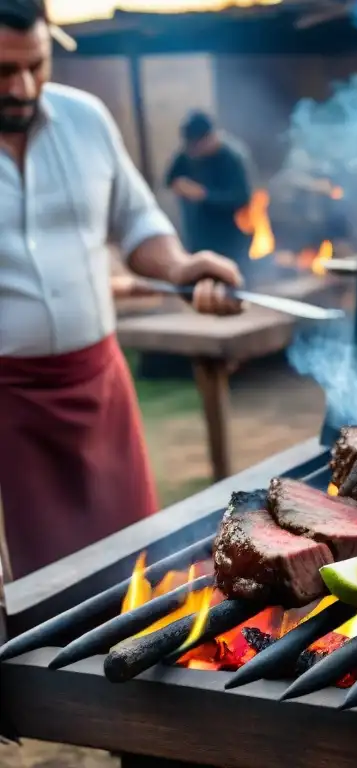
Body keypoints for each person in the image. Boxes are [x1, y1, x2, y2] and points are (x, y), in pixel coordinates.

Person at [0, 0, 244, 578]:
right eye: (3, 72)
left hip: (100, 384)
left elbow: (137, 222)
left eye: (36, 65)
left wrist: (182, 269)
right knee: (43, 582)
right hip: (9, 402)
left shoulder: (86, 119)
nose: (23, 86)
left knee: (138, 559)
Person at [166, 110, 254, 268]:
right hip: (197, 238)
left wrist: (204, 195)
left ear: (209, 138)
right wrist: (179, 185)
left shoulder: (232, 158)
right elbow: (171, 179)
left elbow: (242, 198)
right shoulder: (187, 155)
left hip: (229, 242)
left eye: (197, 146)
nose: (194, 152)